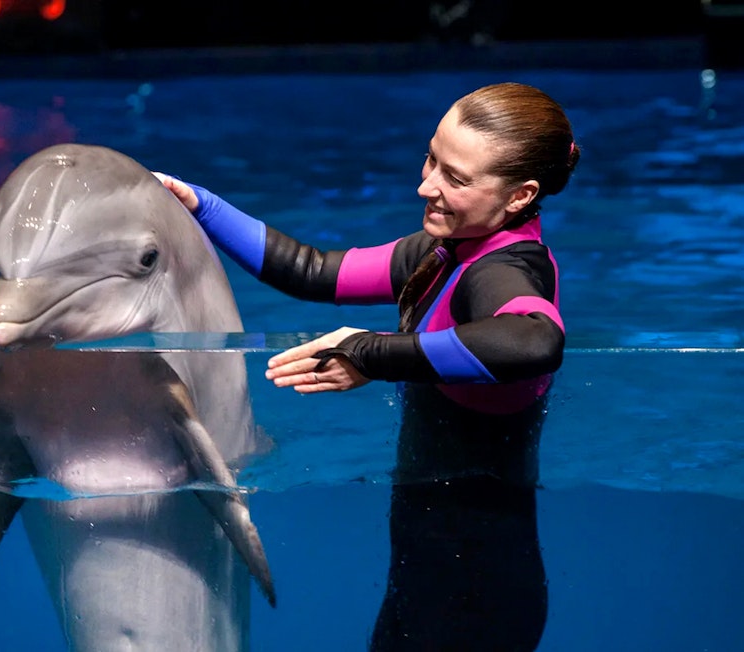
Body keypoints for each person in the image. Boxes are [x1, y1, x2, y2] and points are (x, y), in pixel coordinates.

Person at [157, 81, 579, 651]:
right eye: (432, 158)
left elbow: (534, 341)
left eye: (455, 178)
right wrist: (199, 203)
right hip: (427, 562)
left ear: (520, 196)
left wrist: (370, 352)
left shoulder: (501, 270)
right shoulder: (444, 250)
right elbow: (310, 270)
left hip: (478, 585)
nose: (425, 184)